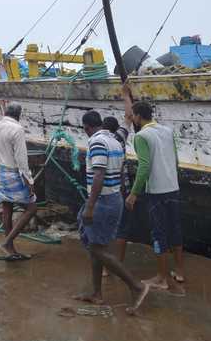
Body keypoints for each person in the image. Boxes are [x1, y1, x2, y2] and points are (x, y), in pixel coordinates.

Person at [74, 110, 149, 315]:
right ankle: (97, 293)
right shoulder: (115, 140)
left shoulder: (97, 142)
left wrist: (90, 206)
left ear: (87, 128)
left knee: (97, 249)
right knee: (95, 246)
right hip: (114, 197)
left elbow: (99, 174)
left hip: (103, 201)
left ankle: (136, 286)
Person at [125, 93, 185, 295]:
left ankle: (161, 278)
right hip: (173, 187)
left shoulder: (141, 136)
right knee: (175, 228)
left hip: (156, 191)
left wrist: (134, 193)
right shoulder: (167, 131)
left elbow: (143, 167)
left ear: (139, 116)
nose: (131, 119)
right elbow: (175, 160)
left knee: (158, 233)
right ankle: (179, 271)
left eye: (132, 115)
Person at [0, 102, 37, 261]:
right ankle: (7, 242)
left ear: (5, 112)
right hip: (12, 173)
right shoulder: (17, 129)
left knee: (7, 208)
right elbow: (21, 159)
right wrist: (29, 180)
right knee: (31, 208)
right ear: (19, 115)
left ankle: (10, 249)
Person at [101, 115, 132, 277]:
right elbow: (128, 119)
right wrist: (127, 96)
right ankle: (118, 265)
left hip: (108, 191)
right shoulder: (120, 138)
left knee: (107, 229)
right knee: (122, 229)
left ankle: (107, 267)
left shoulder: (101, 143)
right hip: (124, 189)